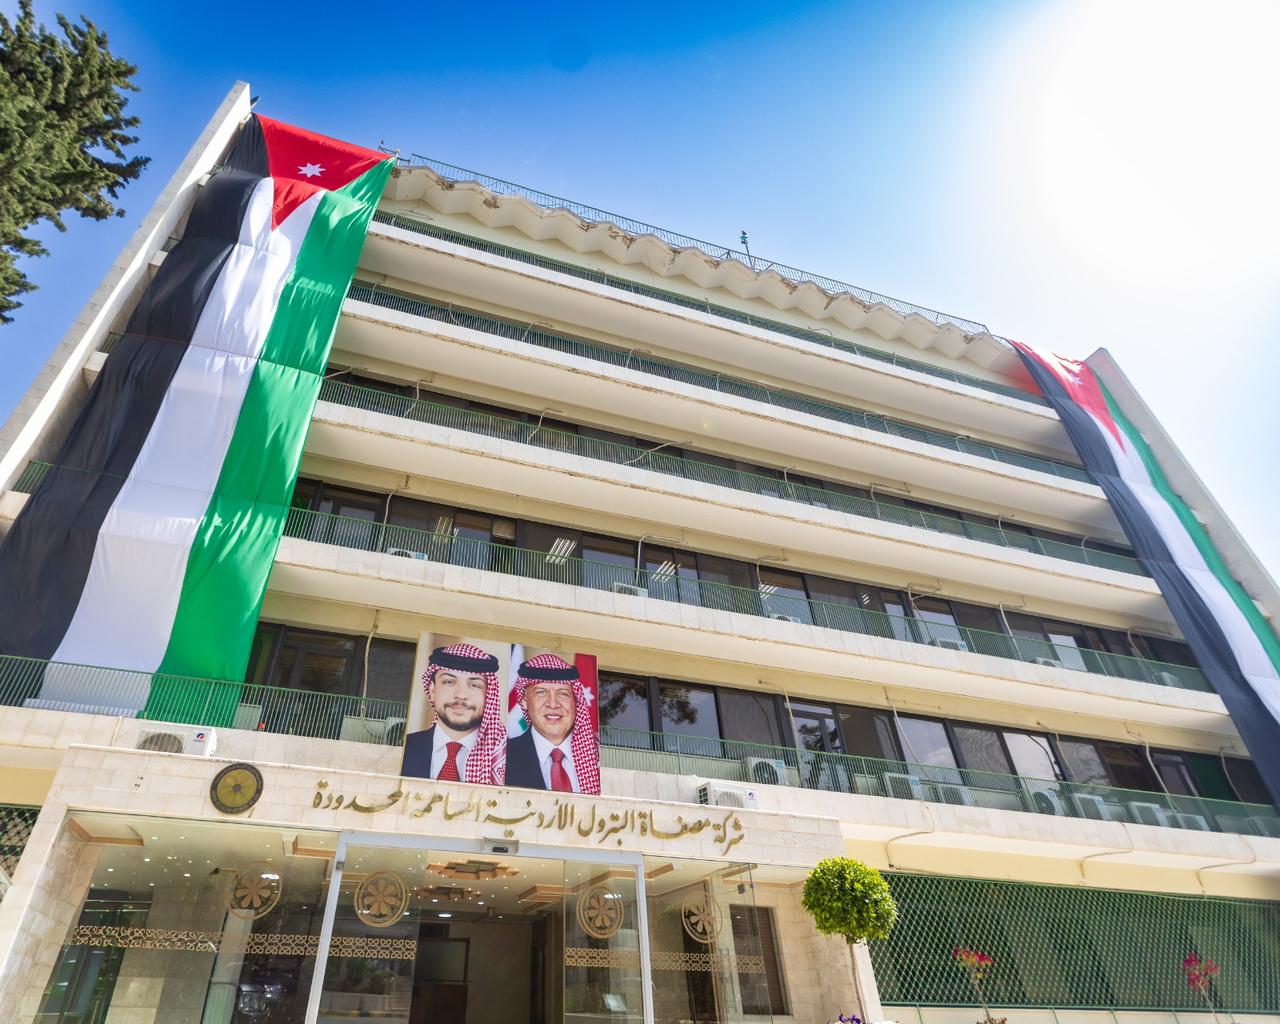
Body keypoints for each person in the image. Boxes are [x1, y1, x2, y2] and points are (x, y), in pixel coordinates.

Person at [401, 643, 506, 785]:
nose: (461, 695)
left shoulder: (504, 756)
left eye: (474, 685)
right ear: (432, 690)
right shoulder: (406, 747)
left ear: (488, 695)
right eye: (449, 682)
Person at [504, 653, 600, 794]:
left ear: (576, 701)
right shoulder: (502, 757)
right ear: (524, 701)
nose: (553, 704)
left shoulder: (596, 755)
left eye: (563, 693)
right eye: (541, 692)